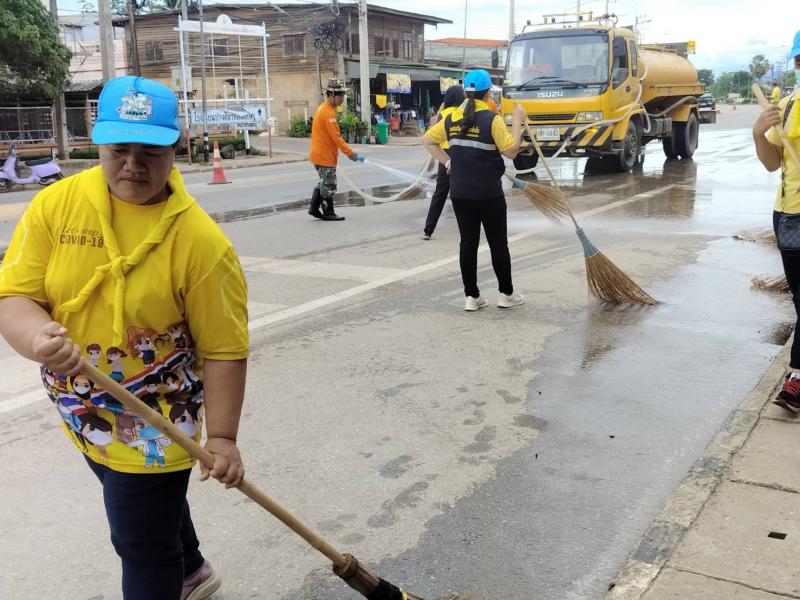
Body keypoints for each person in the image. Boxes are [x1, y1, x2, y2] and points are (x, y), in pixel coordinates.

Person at [0, 75, 250, 600]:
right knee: (137, 496)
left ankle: (172, 572)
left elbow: (224, 349)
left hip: (160, 417)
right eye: (119, 150)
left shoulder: (201, 244)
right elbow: (15, 294)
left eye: (150, 152)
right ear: (98, 144)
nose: (133, 165)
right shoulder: (56, 205)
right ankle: (192, 570)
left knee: (140, 543)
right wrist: (36, 338)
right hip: (81, 401)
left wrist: (223, 438)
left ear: (176, 148)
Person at [422, 69, 527, 312]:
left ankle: (472, 296)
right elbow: (511, 152)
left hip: (461, 194)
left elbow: (427, 140)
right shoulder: (492, 119)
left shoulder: (451, 119)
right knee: (498, 244)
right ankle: (506, 294)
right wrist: (518, 122)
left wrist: (448, 162)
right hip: (489, 194)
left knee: (468, 244)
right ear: (487, 93)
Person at [753, 33, 800, 411]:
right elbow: (772, 163)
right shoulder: (787, 107)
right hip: (790, 216)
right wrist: (758, 132)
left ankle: (797, 378)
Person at [308, 78, 361, 221]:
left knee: (324, 182)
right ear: (331, 94)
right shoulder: (328, 113)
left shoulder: (326, 108)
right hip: (324, 155)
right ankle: (328, 213)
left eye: (343, 94)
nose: (342, 98)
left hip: (320, 154)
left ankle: (314, 208)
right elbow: (337, 137)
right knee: (329, 185)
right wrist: (350, 153)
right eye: (340, 95)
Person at [422, 85, 466, 240]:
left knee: (440, 193)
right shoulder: (462, 112)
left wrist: (442, 108)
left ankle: (428, 229)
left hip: (444, 156)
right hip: (460, 153)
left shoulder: (443, 114)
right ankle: (467, 228)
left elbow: (434, 132)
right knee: (462, 193)